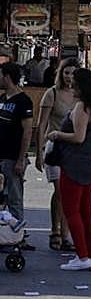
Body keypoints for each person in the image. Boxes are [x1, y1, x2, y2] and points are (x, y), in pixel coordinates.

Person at [45, 67, 91, 271]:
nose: (71, 87)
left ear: (82, 87)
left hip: (75, 163)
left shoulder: (82, 107)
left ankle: (82, 255)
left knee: (72, 210)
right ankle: (87, 252)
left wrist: (57, 134)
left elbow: (78, 137)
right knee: (86, 209)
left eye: (74, 84)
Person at [36, 58, 77, 250]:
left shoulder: (80, 95)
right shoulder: (51, 93)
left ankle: (66, 235)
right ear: (60, 74)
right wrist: (38, 151)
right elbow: (42, 124)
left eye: (72, 73)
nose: (69, 77)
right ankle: (55, 230)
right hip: (54, 147)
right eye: (66, 73)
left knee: (69, 193)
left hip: (74, 149)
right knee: (60, 190)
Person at [0, 63, 33, 228]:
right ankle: (4, 234)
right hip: (1, 154)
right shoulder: (1, 99)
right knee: (1, 199)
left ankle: (18, 235)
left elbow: (27, 132)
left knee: (14, 197)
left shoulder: (23, 101)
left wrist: (21, 159)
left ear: (7, 77)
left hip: (12, 157)